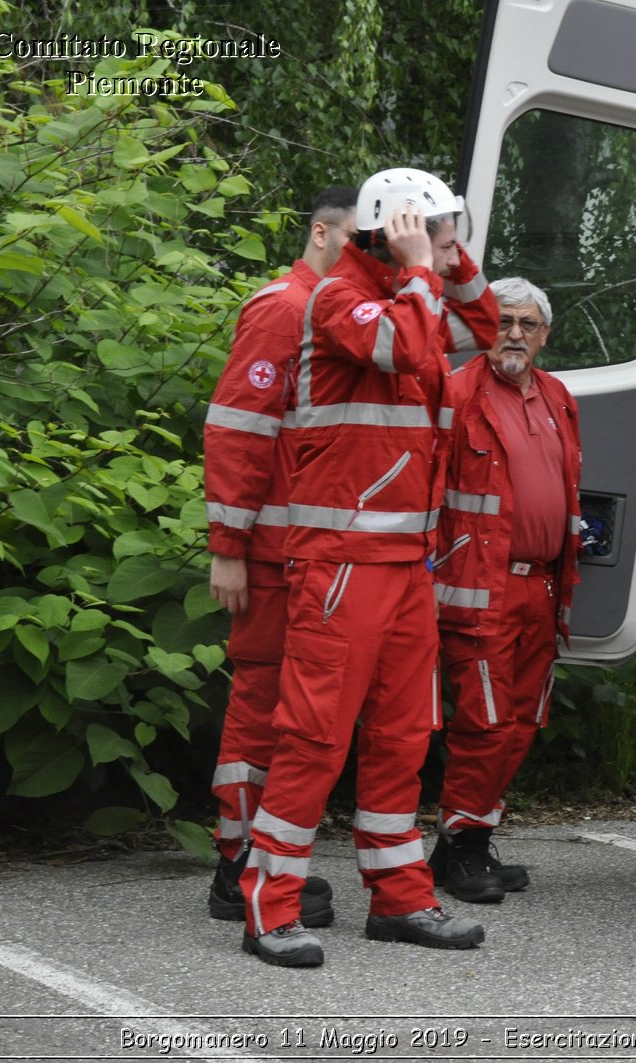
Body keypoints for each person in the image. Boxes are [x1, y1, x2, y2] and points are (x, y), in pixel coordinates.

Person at [237, 168, 498, 967]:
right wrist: (422, 267)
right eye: (437, 231)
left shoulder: (411, 297)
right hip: (342, 564)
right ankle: (268, 904)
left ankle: (400, 896)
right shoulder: (339, 300)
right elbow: (405, 342)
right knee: (314, 735)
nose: (449, 248)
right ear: (393, 233)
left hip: (403, 566)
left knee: (402, 736)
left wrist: (448, 264)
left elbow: (480, 328)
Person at [202, 185, 359, 929]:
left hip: (301, 554)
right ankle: (238, 864)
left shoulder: (323, 312)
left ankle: (259, 855)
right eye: (357, 241)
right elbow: (237, 429)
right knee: (261, 706)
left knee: (288, 708)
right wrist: (228, 549)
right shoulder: (284, 308)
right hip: (268, 555)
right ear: (323, 236)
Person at [429, 278, 581, 903]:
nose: (514, 334)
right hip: (479, 588)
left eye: (527, 323)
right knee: (484, 725)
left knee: (521, 722)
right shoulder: (456, 392)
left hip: (541, 590)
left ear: (545, 334)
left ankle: (465, 842)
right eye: (502, 321)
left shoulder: (559, 397)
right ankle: (462, 847)